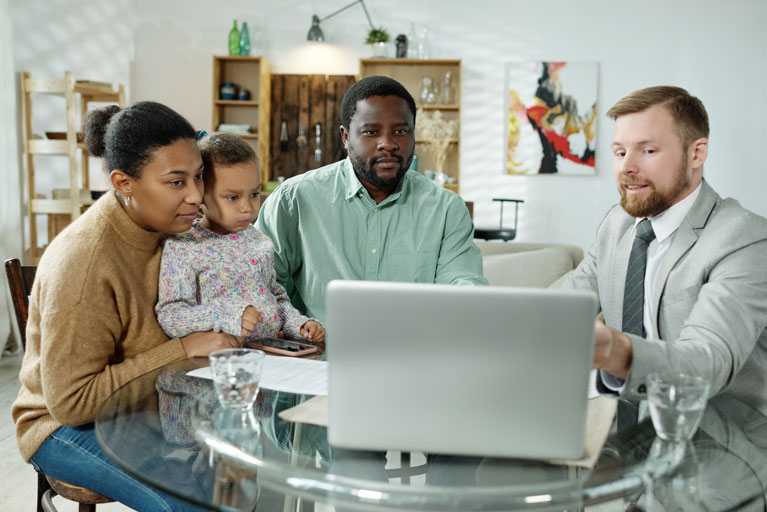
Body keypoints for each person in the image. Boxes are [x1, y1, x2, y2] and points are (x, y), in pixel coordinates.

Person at [11, 102, 242, 511]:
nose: (196, 195)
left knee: (242, 479)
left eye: (198, 176)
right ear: (124, 183)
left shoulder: (175, 230)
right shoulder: (84, 263)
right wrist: (183, 348)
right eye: (176, 182)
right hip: (62, 427)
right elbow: (72, 403)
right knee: (194, 502)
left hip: (146, 407)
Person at [558, 86, 767, 415]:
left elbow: (707, 362)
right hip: (626, 429)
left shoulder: (743, 238)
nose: (627, 166)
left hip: (720, 438)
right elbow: (566, 296)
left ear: (696, 153)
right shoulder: (617, 224)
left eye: (648, 150)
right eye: (619, 152)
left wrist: (617, 352)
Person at [256, 75, 487, 323]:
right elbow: (257, 282)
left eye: (400, 131)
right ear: (346, 137)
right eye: (371, 132)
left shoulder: (446, 209)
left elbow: (463, 289)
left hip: (412, 357)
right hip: (317, 358)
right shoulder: (294, 199)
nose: (387, 144)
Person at [155, 132, 325, 343]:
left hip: (269, 358)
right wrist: (226, 315)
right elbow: (171, 316)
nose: (247, 208)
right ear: (201, 195)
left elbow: (276, 297)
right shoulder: (184, 247)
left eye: (254, 194)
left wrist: (299, 324)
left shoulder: (259, 241)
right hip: (216, 364)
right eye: (233, 197)